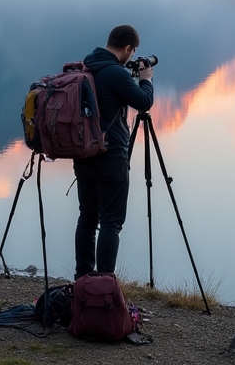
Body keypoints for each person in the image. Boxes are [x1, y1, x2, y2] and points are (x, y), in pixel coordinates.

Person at [74, 24, 154, 279]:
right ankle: (104, 284)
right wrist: (146, 80)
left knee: (87, 218)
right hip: (110, 155)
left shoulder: (86, 67)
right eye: (133, 51)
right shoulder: (116, 74)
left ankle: (83, 279)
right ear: (128, 48)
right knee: (111, 222)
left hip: (84, 154)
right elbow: (143, 102)